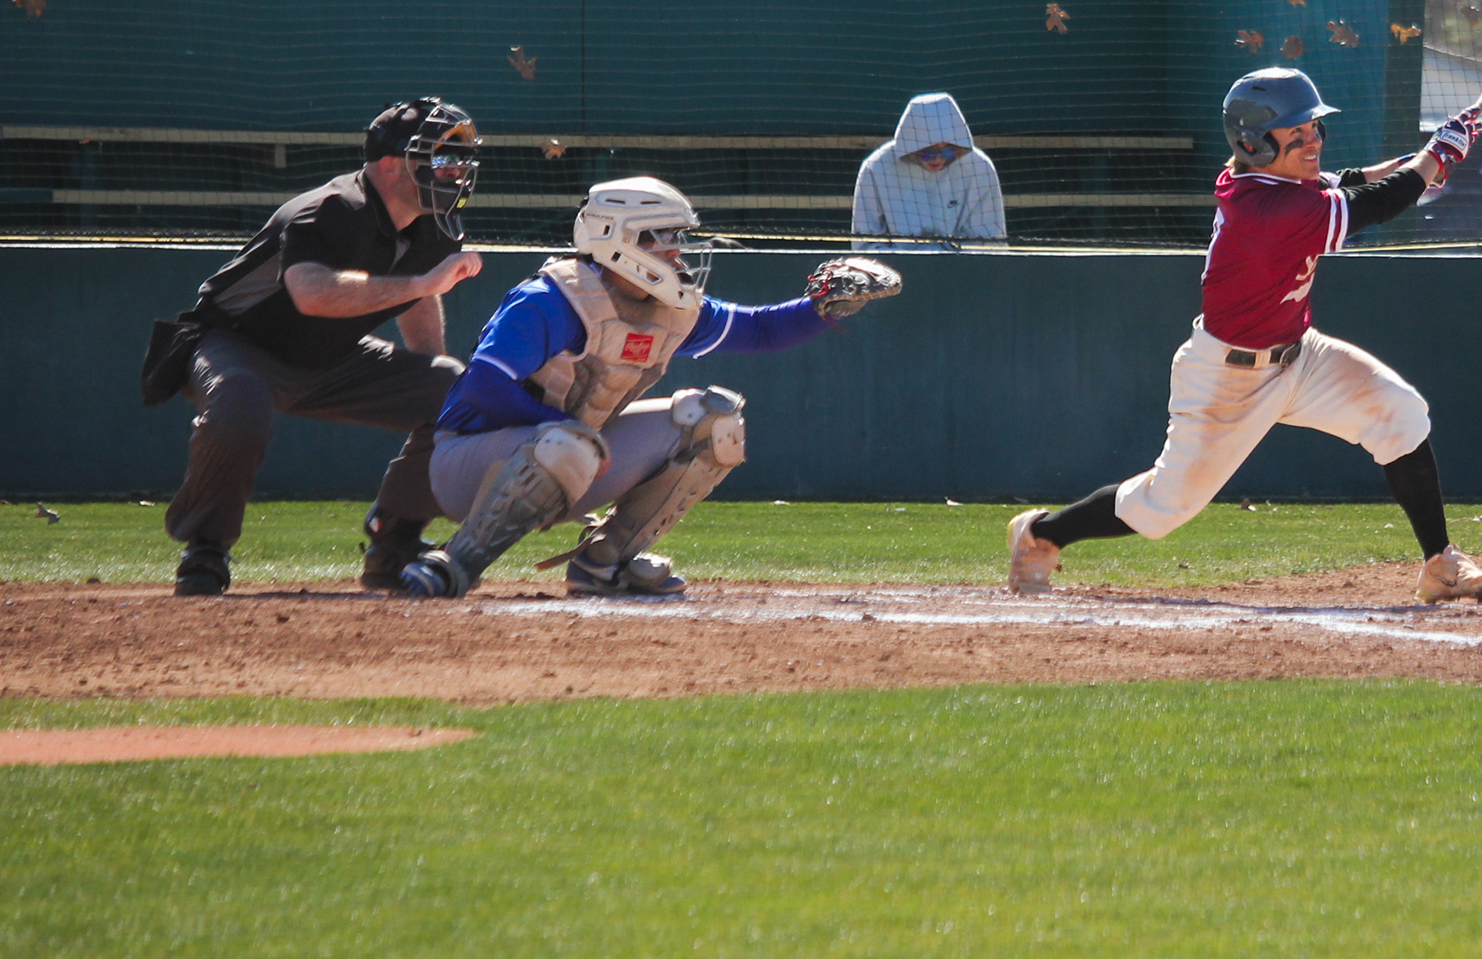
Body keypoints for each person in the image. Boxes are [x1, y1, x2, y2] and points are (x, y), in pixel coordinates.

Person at [1005, 67, 1482, 605]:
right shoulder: (1268, 209)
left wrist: (1422, 162)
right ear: (1253, 143)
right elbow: (1375, 204)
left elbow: (1349, 181)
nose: (1313, 140)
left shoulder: (1274, 183)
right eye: (1297, 133)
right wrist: (1435, 158)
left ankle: (1439, 563)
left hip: (1300, 355)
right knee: (1164, 506)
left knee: (1398, 412)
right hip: (1228, 376)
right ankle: (1042, 534)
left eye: (1314, 128)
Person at [398, 177, 900, 599]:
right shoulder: (550, 299)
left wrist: (820, 305)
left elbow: (761, 330)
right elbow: (484, 386)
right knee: (568, 441)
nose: (676, 250)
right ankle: (457, 562)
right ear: (617, 238)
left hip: (574, 457)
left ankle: (604, 564)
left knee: (715, 421)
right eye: (662, 237)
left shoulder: (668, 308)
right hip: (469, 466)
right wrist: (565, 428)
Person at [145, 98, 485, 597]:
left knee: (457, 392)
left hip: (333, 356)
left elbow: (418, 296)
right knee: (241, 403)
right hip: (238, 344)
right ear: (391, 165)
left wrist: (430, 375)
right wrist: (420, 284)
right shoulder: (329, 208)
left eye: (460, 159)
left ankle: (393, 538)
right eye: (440, 157)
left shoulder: (435, 224)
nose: (454, 170)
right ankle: (205, 549)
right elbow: (311, 293)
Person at [852, 92, 1006, 250]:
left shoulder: (979, 168)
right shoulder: (876, 168)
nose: (938, 159)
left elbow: (990, 242)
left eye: (947, 151)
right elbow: (865, 244)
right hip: (892, 265)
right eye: (928, 152)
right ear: (911, 148)